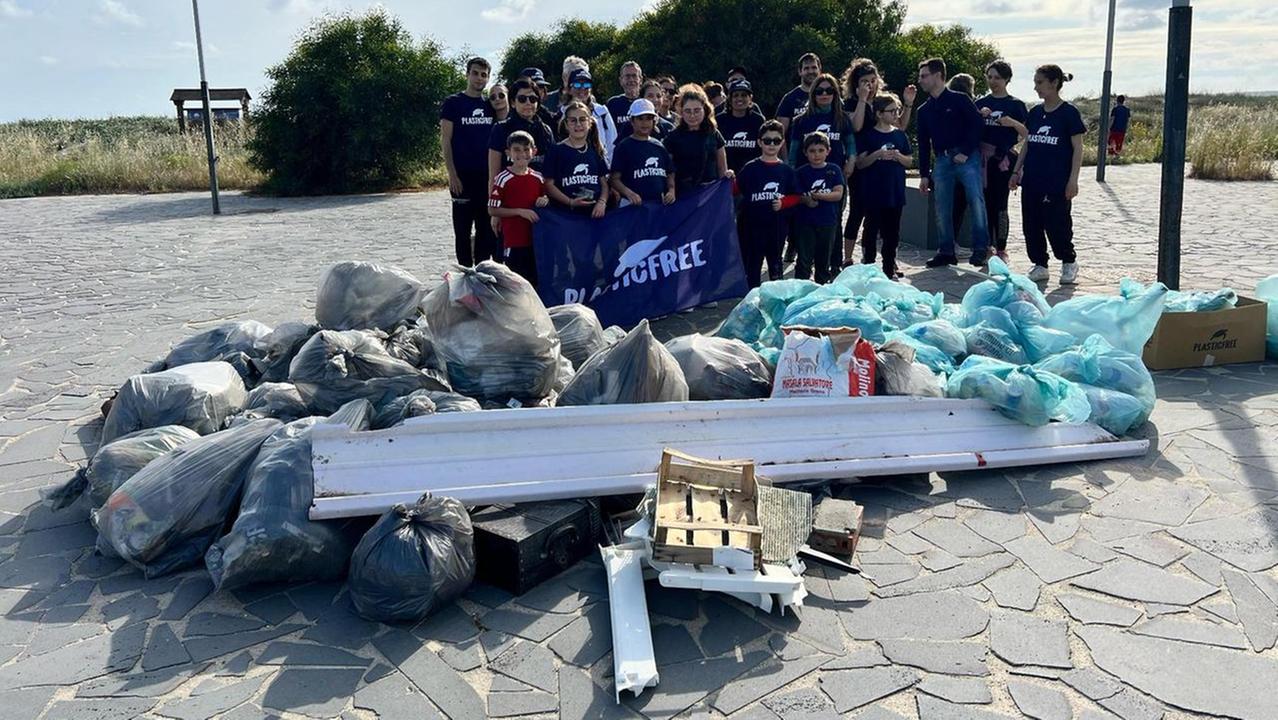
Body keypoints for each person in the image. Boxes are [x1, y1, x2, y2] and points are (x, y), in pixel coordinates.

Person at [1011, 65, 1084, 285]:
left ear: (1054, 83)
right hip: (1032, 178)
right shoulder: (1035, 112)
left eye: (1040, 83)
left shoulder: (1068, 113)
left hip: (1057, 181)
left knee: (1057, 223)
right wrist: (1016, 171)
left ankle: (1068, 261)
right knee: (1031, 224)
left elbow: (1078, 148)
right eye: (1035, 83)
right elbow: (1028, 143)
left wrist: (1073, 180)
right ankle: (1040, 264)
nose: (1036, 88)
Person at [915, 57, 990, 268]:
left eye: (924, 75)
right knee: (942, 206)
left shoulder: (960, 99)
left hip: (966, 157)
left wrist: (966, 151)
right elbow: (922, 143)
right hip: (941, 160)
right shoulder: (924, 110)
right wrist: (923, 174)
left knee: (975, 200)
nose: (920, 80)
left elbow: (977, 125)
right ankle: (946, 250)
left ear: (938, 75)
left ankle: (980, 249)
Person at [842, 58, 916, 260]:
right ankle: (848, 257)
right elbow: (856, 127)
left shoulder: (882, 101)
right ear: (856, 83)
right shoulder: (850, 102)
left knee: (883, 215)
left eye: (873, 80)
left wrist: (907, 104)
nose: (870, 85)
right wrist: (862, 100)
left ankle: (887, 259)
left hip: (882, 166)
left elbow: (899, 127)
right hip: (860, 160)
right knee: (858, 210)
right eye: (865, 81)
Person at [788, 73, 855, 268]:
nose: (824, 94)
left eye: (829, 90)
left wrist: (850, 163)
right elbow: (793, 151)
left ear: (835, 93)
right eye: (819, 91)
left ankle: (833, 266)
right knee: (804, 222)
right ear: (813, 94)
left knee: (834, 221)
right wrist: (792, 177)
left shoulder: (842, 119)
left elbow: (850, 145)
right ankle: (804, 265)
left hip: (834, 176)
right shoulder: (801, 120)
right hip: (806, 177)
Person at [441, 56, 498, 266]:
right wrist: (452, 174)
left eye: (484, 75)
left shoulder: (490, 106)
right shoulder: (453, 103)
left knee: (485, 230)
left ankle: (482, 276)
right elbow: (446, 139)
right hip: (462, 177)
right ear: (467, 74)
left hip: (486, 177)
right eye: (475, 73)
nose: (479, 78)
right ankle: (464, 276)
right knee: (463, 231)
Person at [976, 60, 1029, 262]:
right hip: (982, 161)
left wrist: (1012, 123)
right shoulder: (980, 103)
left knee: (1001, 204)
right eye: (989, 77)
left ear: (1007, 79)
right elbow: (969, 130)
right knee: (984, 204)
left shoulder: (1015, 105)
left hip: (1002, 160)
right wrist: (979, 117)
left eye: (997, 77)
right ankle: (986, 245)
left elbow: (1027, 133)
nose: (993, 81)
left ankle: (1001, 247)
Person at [855, 94, 913, 278]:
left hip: (894, 192)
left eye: (897, 110)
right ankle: (869, 267)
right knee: (871, 230)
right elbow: (860, 163)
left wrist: (898, 156)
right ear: (879, 114)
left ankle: (889, 268)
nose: (896, 114)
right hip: (873, 192)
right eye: (892, 111)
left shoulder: (900, 135)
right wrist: (878, 154)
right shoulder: (868, 135)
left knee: (892, 232)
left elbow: (909, 161)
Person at [735, 120, 798, 286]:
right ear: (759, 142)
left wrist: (784, 203)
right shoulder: (750, 168)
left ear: (782, 142)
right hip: (751, 227)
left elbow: (797, 196)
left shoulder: (786, 171)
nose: (771, 144)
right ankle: (751, 301)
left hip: (776, 228)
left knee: (775, 267)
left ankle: (776, 301)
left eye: (776, 141)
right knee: (752, 267)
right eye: (767, 140)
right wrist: (728, 178)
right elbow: (734, 190)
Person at [488, 131, 548, 286]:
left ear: (534, 152)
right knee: (515, 282)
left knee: (534, 280)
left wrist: (545, 199)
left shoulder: (539, 177)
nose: (522, 154)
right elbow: (492, 210)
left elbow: (546, 199)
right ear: (508, 153)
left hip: (536, 241)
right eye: (517, 150)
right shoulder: (503, 178)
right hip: (514, 241)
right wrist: (520, 212)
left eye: (526, 149)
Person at [543, 101, 610, 219]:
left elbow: (604, 183)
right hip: (566, 216)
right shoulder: (556, 151)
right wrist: (570, 202)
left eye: (583, 119)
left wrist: (602, 202)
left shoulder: (595, 150)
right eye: (573, 120)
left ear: (590, 123)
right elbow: (548, 185)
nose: (578, 124)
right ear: (566, 124)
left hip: (594, 215)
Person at [793, 131, 845, 284]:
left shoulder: (834, 170)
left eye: (821, 150)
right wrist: (806, 200)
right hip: (805, 223)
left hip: (828, 222)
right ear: (805, 152)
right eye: (812, 151)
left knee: (823, 261)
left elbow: (838, 194)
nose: (817, 155)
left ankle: (821, 291)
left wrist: (818, 196)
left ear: (828, 151)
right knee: (803, 261)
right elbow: (796, 195)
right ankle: (800, 291)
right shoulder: (801, 172)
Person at [663, 84, 729, 198]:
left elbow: (722, 168)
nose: (692, 115)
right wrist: (671, 189)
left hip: (710, 195)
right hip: (683, 195)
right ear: (681, 112)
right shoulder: (672, 137)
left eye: (697, 110)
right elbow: (668, 169)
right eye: (688, 111)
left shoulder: (714, 134)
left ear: (705, 110)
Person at [488, 79, 556, 190]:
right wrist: (493, 204)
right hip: (510, 194)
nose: (528, 103)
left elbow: (552, 171)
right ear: (513, 103)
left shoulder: (546, 131)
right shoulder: (500, 129)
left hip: (540, 196)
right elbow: (494, 175)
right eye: (522, 99)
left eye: (533, 99)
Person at [610, 98, 676, 206]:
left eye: (649, 118)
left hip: (657, 206)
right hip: (630, 206)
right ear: (632, 121)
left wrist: (671, 190)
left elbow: (670, 172)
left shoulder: (659, 146)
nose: (645, 123)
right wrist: (629, 193)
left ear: (654, 121)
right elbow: (614, 179)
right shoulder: (624, 147)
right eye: (640, 118)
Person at [555, 68, 618, 165]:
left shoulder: (602, 112)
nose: (582, 89)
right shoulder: (561, 114)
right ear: (569, 89)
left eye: (586, 85)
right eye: (577, 85)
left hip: (600, 168)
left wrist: (608, 168)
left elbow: (612, 143)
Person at [946, 73, 977, 247]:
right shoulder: (967, 105)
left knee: (954, 204)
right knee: (962, 202)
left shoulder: (947, 104)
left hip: (948, 158)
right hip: (965, 158)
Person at [716, 79, 767, 175]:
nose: (740, 99)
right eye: (736, 95)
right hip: (726, 176)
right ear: (729, 99)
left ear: (750, 98)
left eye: (744, 95)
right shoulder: (719, 120)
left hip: (753, 175)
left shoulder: (758, 120)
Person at [615, 80, 676, 145]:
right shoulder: (631, 125)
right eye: (650, 96)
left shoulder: (668, 127)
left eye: (658, 96)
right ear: (642, 98)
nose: (655, 100)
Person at [776, 53, 822, 137]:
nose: (811, 71)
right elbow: (779, 134)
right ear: (800, 72)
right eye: (806, 68)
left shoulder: (830, 95)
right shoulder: (789, 99)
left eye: (814, 68)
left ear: (820, 70)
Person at [518, 67, 559, 133]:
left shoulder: (549, 118)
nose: (539, 91)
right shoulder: (507, 122)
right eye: (534, 87)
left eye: (541, 87)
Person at [607, 61, 644, 128]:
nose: (631, 80)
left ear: (640, 80)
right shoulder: (613, 103)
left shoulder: (645, 103)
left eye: (634, 76)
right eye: (627, 76)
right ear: (621, 80)